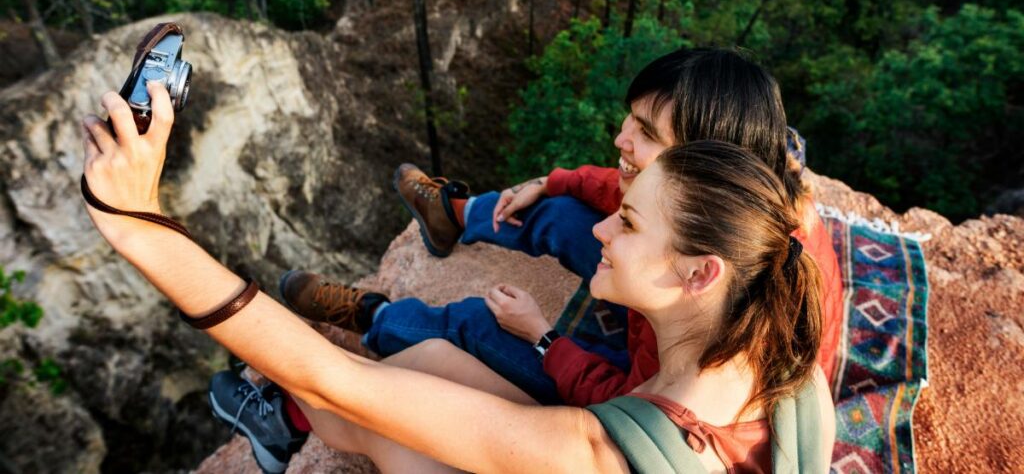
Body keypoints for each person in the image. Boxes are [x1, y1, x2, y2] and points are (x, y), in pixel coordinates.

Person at [80, 84, 835, 473]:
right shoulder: (783, 339)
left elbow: (331, 377)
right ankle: (290, 424)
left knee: (355, 403)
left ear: (702, 273)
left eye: (628, 224)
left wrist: (135, 222)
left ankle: (291, 420)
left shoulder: (598, 452)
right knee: (428, 364)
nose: (600, 230)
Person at [277, 48, 843, 407]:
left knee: (479, 325)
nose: (622, 138)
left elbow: (627, 411)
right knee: (562, 213)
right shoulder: (742, 191)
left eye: (645, 134)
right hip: (662, 295)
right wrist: (554, 181)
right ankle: (453, 217)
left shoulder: (708, 341)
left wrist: (542, 337)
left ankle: (374, 321)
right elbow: (623, 193)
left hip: (638, 382)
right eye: (633, 118)